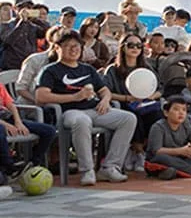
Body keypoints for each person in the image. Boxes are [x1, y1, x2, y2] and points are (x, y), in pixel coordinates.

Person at [35, 30, 137, 185]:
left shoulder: (87, 69)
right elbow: (41, 96)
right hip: (69, 111)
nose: (73, 49)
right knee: (82, 121)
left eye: (76, 46)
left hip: (94, 110)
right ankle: (87, 170)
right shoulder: (50, 70)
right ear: (57, 48)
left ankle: (110, 167)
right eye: (68, 46)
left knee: (128, 119)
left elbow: (104, 90)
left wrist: (105, 100)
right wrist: (74, 97)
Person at [102, 33, 163, 172]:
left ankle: (149, 152)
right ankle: (137, 151)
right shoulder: (113, 69)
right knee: (133, 116)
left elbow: (160, 89)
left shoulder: (146, 67)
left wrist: (152, 96)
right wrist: (127, 98)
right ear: (123, 47)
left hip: (145, 103)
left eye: (139, 46)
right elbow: (106, 92)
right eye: (131, 45)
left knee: (157, 116)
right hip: (123, 104)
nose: (135, 48)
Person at [146, 97, 191, 180]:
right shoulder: (158, 127)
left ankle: (175, 172)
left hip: (180, 159)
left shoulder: (186, 124)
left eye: (184, 110)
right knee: (161, 158)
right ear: (166, 113)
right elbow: (156, 151)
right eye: (176, 109)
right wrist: (180, 151)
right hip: (162, 159)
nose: (181, 113)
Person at [0, 75, 57, 172]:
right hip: (2, 124)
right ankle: (9, 167)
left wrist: (18, 122)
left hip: (8, 118)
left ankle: (33, 163)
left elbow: (11, 105)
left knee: (49, 131)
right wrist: (6, 125)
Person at [0, 0, 49, 71]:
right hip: (11, 68)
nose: (25, 9)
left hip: (29, 67)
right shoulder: (6, 25)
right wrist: (22, 21)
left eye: (29, 7)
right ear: (15, 9)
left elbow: (48, 32)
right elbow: (8, 40)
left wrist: (35, 19)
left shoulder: (33, 26)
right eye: (22, 7)